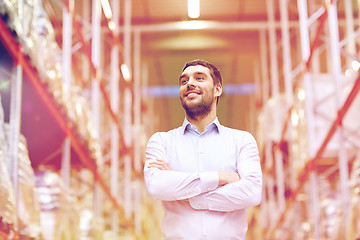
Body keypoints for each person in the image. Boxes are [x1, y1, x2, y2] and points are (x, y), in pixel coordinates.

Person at [143, 59, 262, 240]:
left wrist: (187, 196)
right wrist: (220, 177)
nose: (190, 83)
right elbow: (156, 185)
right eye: (184, 81)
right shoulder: (161, 141)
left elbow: (252, 192)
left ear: (217, 89)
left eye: (199, 78)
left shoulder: (242, 140)